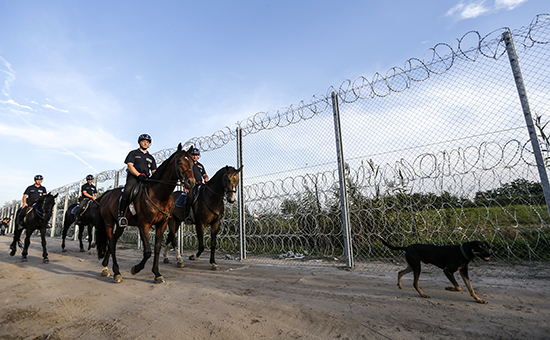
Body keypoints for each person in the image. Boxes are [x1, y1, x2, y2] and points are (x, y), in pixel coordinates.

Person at [118, 134, 157, 227]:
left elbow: (154, 171)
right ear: (140, 142)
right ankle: (122, 215)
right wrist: (138, 175)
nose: (145, 143)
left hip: (146, 179)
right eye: (143, 141)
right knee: (127, 191)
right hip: (134, 178)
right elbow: (130, 166)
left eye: (147, 142)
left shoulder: (151, 157)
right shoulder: (133, 153)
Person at [184, 147, 209, 224]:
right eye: (193, 155)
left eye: (196, 155)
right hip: (191, 185)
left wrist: (206, 177)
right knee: (190, 197)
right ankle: (187, 215)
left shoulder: (200, 166)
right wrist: (184, 186)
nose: (195, 156)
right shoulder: (188, 165)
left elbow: (204, 174)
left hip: (200, 184)